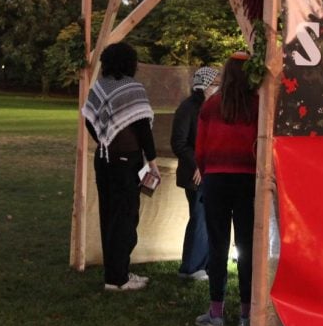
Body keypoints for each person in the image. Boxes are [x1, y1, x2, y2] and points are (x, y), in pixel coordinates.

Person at [81, 41, 161, 292]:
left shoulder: (99, 88)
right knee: (126, 218)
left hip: (103, 161)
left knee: (109, 216)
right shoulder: (132, 88)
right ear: (130, 63)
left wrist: (104, 140)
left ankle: (114, 273)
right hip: (126, 163)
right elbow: (142, 129)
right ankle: (119, 278)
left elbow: (89, 120)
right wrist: (153, 162)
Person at [193, 52, 259, 326]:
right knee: (246, 246)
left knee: (218, 245)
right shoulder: (258, 106)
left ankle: (216, 312)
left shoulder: (210, 105)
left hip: (216, 180)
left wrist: (207, 169)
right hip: (247, 180)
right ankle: (247, 314)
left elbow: (200, 149)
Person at [171, 65, 219, 281]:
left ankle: (205, 263)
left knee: (208, 219)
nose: (217, 88)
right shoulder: (188, 109)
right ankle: (191, 266)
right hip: (195, 175)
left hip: (210, 172)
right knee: (199, 218)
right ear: (204, 86)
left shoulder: (210, 108)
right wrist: (197, 163)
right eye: (214, 84)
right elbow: (179, 143)